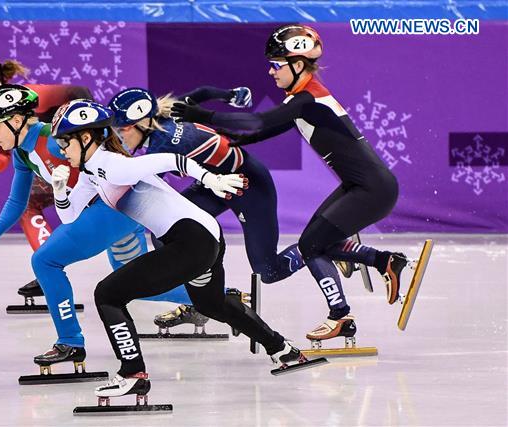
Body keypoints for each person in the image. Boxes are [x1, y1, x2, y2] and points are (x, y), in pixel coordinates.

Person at [50, 99, 322, 399]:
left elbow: (172, 159)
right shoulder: (91, 173)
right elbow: (69, 216)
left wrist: (211, 179)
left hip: (191, 240)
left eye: (64, 142)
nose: (62, 150)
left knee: (107, 294)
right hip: (204, 237)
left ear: (85, 138)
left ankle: (132, 373)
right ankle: (283, 349)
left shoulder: (113, 165)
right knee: (211, 304)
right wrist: (59, 190)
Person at [169, 24, 409, 342]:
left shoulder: (309, 99)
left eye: (276, 65)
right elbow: (253, 133)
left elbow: (257, 121)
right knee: (316, 243)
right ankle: (383, 261)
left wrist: (203, 115)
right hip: (360, 186)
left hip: (371, 190)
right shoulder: (299, 100)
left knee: (310, 245)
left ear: (297, 64)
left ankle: (340, 316)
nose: (271, 71)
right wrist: (208, 136)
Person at [0, 85, 159, 371]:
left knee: (45, 260)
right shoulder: (23, 153)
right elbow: (17, 200)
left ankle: (70, 341)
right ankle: (218, 295)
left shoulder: (52, 139)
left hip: (113, 207)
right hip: (117, 210)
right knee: (141, 284)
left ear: (17, 120)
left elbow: (107, 148)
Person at [108, 86, 308, 332]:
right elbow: (202, 93)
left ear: (142, 123)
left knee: (269, 270)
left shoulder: (163, 144)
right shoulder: (166, 113)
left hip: (248, 186)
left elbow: (133, 188)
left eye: (122, 129)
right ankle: (198, 302)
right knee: (169, 236)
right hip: (215, 184)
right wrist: (230, 95)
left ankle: (318, 246)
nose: (120, 137)